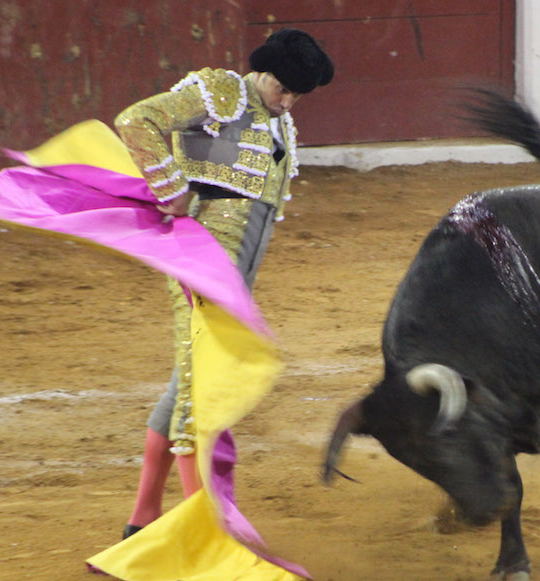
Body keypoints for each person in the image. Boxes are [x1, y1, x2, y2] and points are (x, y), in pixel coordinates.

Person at [115, 28, 334, 539]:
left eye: (298, 95)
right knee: (204, 383)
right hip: (203, 258)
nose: (288, 102)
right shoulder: (220, 92)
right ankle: (206, 527)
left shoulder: (276, 118)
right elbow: (135, 120)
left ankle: (142, 518)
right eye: (283, 89)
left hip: (236, 266)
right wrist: (169, 186)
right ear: (263, 73)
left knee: (189, 380)